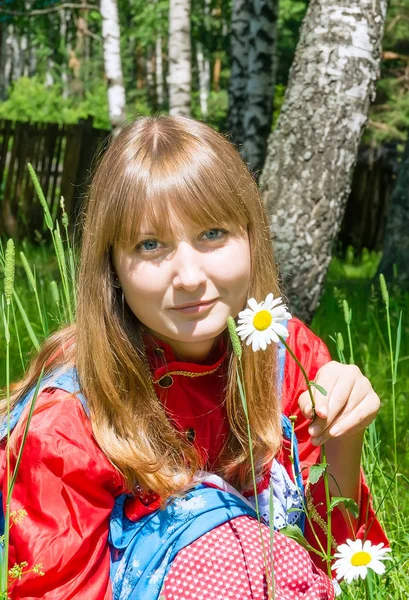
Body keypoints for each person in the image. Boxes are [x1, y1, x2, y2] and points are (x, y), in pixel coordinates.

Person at [0, 116, 387, 599]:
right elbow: (57, 589)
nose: (188, 276)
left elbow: (333, 564)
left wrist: (344, 441)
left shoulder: (285, 356)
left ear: (251, 237)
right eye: (150, 244)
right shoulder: (67, 418)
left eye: (212, 234)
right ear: (112, 266)